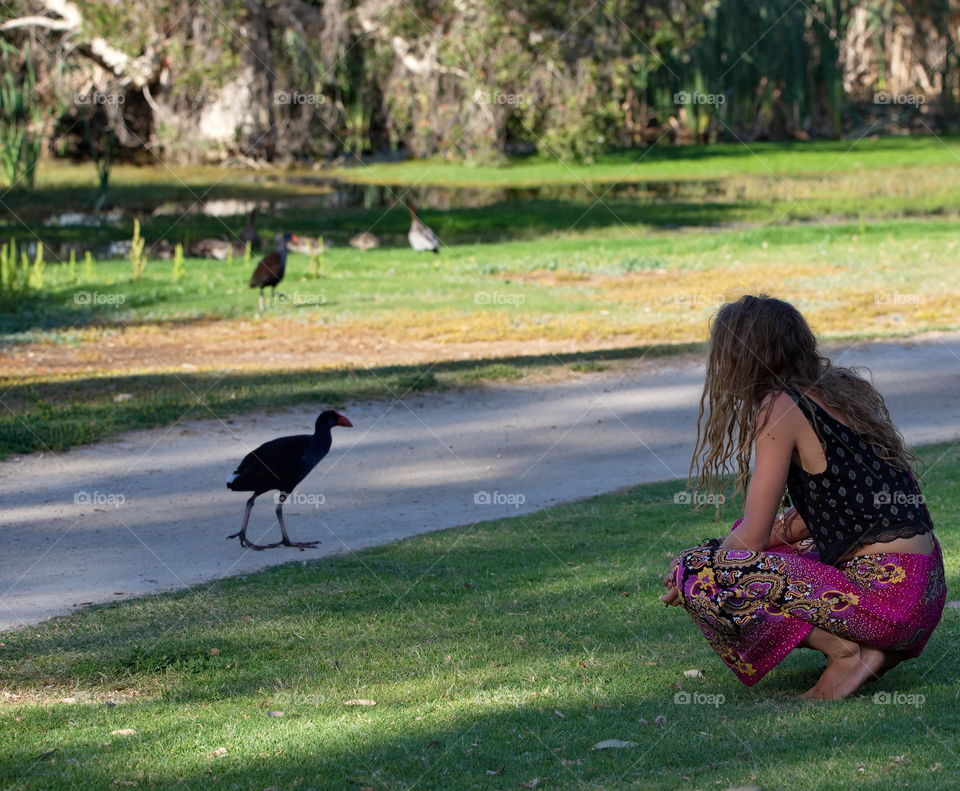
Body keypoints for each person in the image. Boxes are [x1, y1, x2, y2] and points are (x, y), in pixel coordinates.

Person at [662, 294, 946, 699]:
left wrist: (693, 572)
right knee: (743, 549)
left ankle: (846, 653)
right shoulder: (845, 390)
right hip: (923, 593)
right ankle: (877, 650)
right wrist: (717, 552)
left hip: (882, 600)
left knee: (702, 568)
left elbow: (754, 540)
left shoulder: (778, 406)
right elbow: (838, 510)